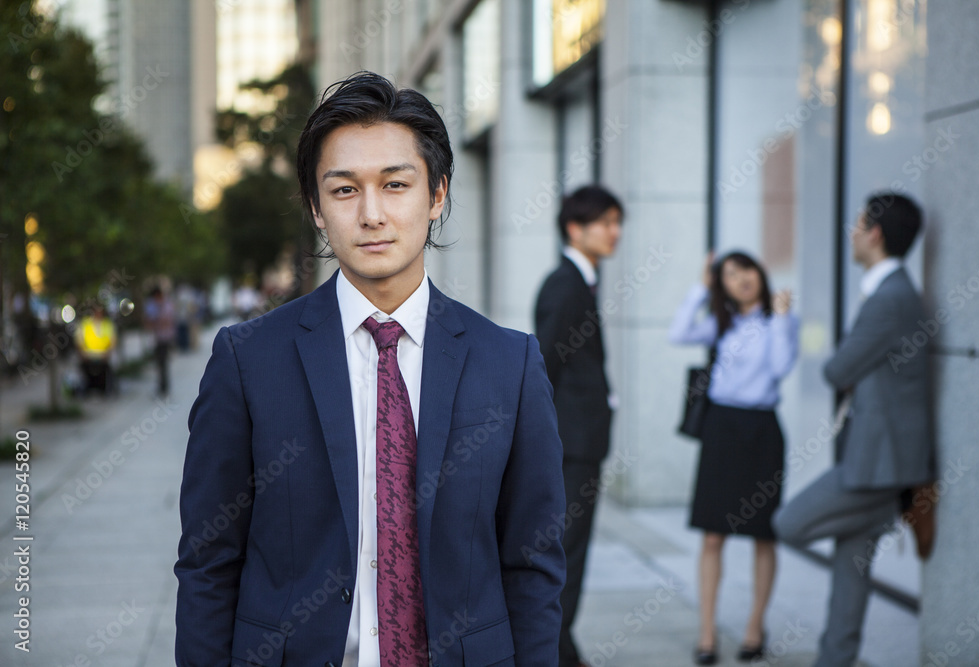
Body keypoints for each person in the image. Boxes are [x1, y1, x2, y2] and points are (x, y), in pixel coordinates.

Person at [175, 71, 566, 667]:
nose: (372, 214)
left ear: (436, 196)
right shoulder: (247, 360)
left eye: (395, 184)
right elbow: (208, 561)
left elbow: (533, 565)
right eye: (344, 190)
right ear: (315, 208)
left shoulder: (509, 363)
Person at [773, 192, 935, 667]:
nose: (851, 232)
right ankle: (834, 660)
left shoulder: (890, 298)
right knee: (850, 579)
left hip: (876, 465)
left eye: (857, 223)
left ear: (875, 233)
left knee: (788, 522)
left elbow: (837, 369)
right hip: (875, 459)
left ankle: (879, 514)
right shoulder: (892, 291)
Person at [668, 251, 799, 665]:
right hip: (721, 430)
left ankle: (754, 627)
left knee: (763, 533)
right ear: (720, 284)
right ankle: (706, 634)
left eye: (746, 270)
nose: (740, 279)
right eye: (729, 275)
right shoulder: (721, 326)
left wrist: (779, 318)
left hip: (762, 431)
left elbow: (780, 366)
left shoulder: (778, 320)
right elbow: (678, 333)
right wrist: (700, 287)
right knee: (712, 535)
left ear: (760, 274)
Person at [534, 184, 623, 667]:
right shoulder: (565, 285)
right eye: (606, 223)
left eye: (616, 222)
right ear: (575, 228)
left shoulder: (578, 282)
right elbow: (544, 366)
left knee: (570, 552)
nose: (616, 233)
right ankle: (556, 652)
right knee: (566, 553)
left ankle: (560, 648)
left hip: (581, 442)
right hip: (571, 446)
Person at [74, 304, 117, 395]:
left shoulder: (107, 324)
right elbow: (79, 340)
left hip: (103, 356)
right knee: (87, 372)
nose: (98, 314)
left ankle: (103, 390)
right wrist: (82, 353)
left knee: (103, 373)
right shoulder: (85, 324)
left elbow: (112, 340)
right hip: (88, 355)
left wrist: (108, 353)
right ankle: (88, 389)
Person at [143, 286, 175, 398]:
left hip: (165, 337)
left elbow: (167, 320)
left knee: (163, 362)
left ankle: (164, 386)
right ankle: (161, 385)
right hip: (156, 338)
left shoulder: (167, 305)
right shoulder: (152, 305)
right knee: (159, 363)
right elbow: (149, 321)